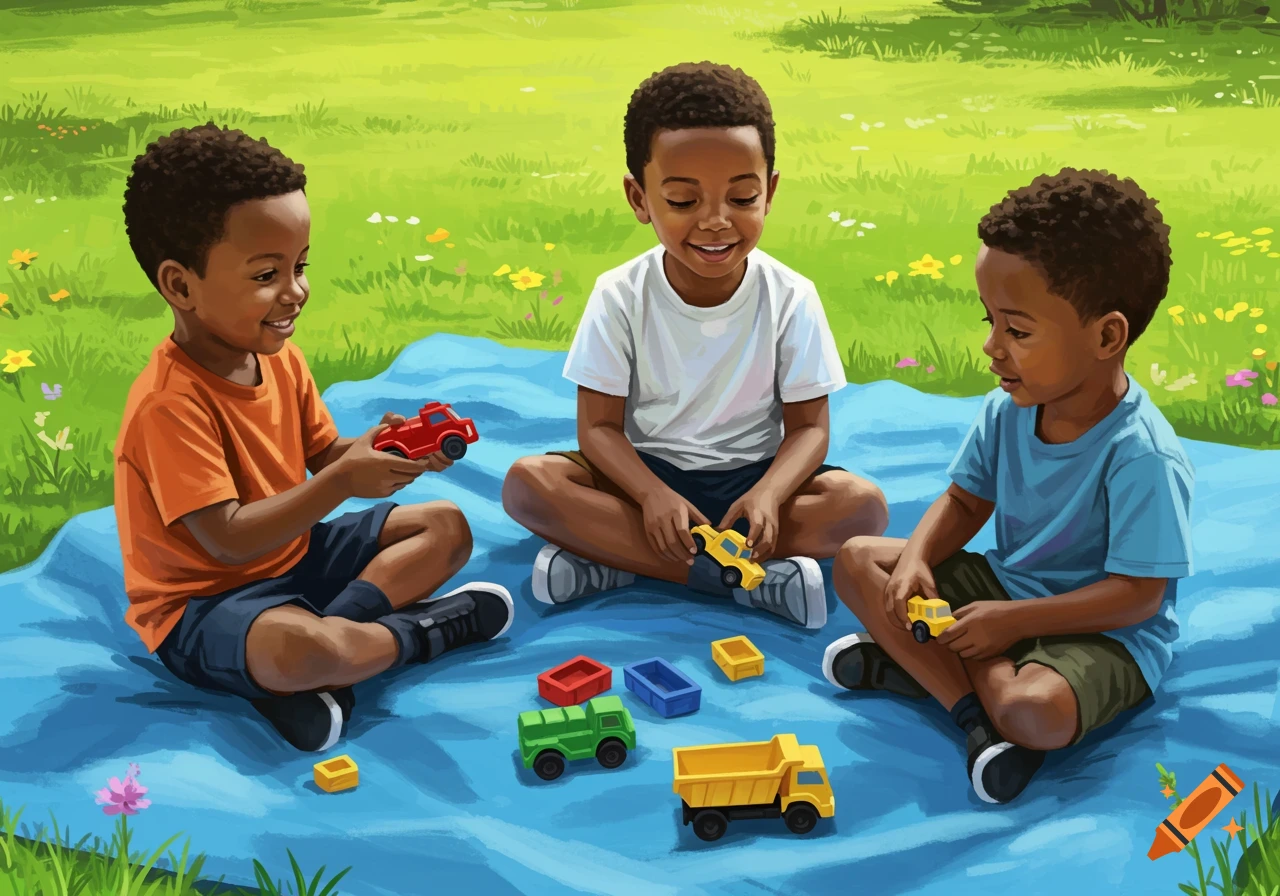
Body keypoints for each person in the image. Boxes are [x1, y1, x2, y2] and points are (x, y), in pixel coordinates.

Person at [115, 123, 513, 753]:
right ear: (181, 285)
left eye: (300, 266)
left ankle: (330, 651)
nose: (295, 291)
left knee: (446, 527)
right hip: (206, 605)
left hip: (298, 555)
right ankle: (420, 633)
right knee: (294, 647)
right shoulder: (169, 405)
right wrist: (336, 485)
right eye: (266, 274)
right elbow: (225, 539)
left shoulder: (276, 356)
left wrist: (384, 451)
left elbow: (324, 453)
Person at [822, 167, 1195, 804]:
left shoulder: (1142, 454)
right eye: (990, 320)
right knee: (861, 561)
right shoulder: (1010, 407)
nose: (993, 347)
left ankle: (931, 671)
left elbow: (1137, 596)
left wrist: (1008, 626)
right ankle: (973, 715)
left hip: (1100, 631)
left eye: (1017, 331)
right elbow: (967, 500)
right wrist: (914, 560)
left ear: (1107, 336)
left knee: (1034, 711)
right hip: (1006, 588)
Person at [502, 62, 888, 629]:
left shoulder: (791, 296)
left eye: (742, 198)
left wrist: (770, 497)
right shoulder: (619, 294)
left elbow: (809, 430)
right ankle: (738, 580)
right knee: (529, 485)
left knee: (863, 506)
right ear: (640, 199)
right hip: (641, 482)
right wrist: (653, 496)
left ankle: (621, 563)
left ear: (770, 193)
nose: (714, 222)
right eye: (684, 201)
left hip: (752, 484)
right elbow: (599, 429)